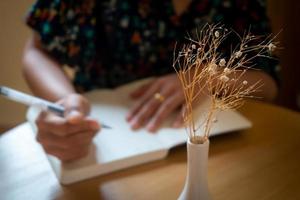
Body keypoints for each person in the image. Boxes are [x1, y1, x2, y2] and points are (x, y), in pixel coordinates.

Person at [23, 0, 279, 161]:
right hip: (102, 142)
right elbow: (37, 50)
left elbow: (267, 83)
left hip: (224, 151)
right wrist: (64, 101)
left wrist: (208, 77)